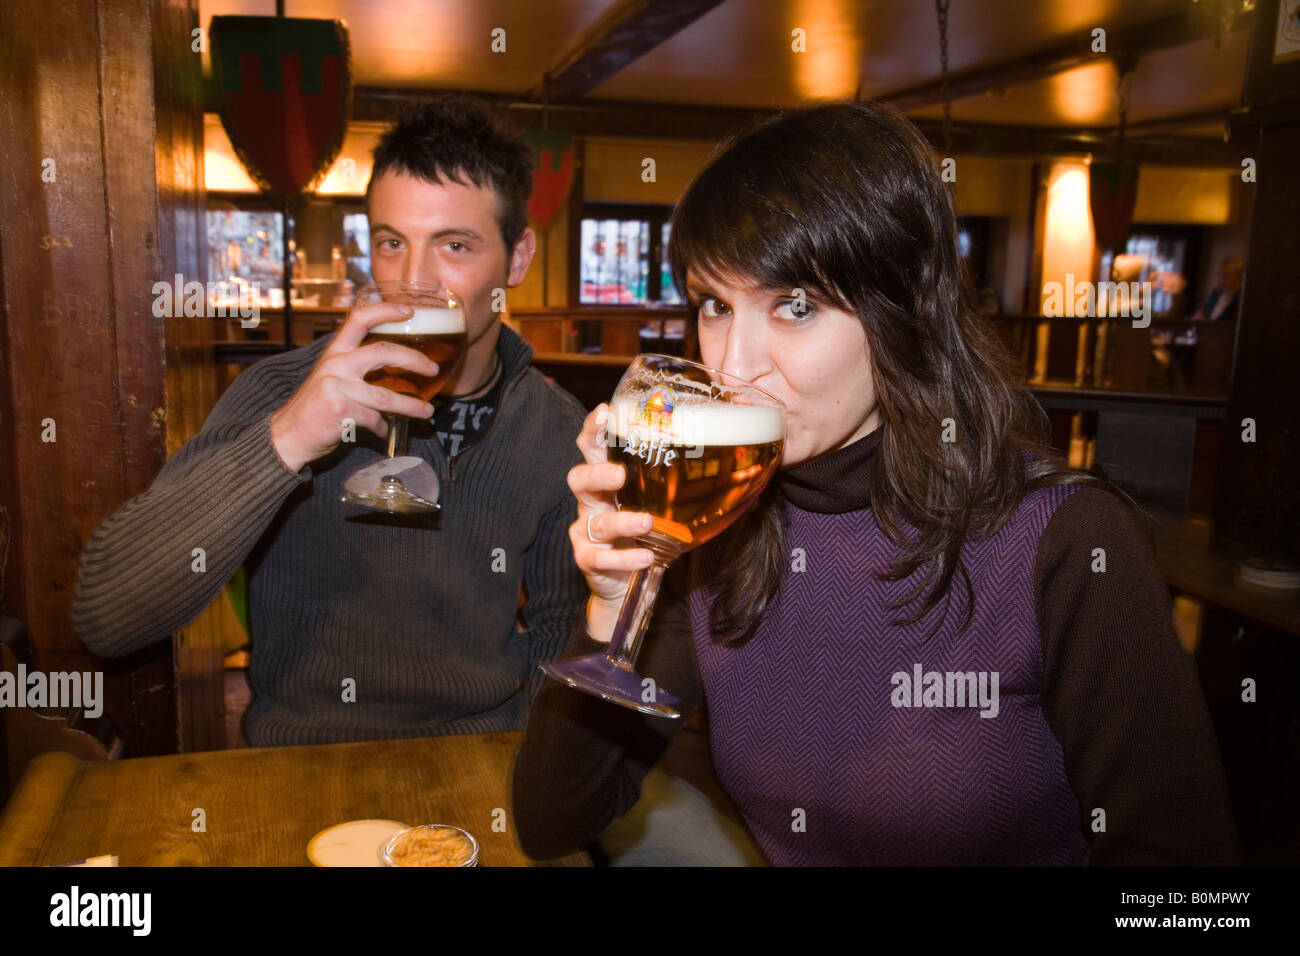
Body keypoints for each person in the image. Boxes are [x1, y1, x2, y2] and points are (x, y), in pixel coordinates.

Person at [512, 100, 1242, 865]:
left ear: (905, 313)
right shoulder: (716, 526)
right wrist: (610, 613)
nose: (731, 367)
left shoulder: (1066, 543)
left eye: (795, 305)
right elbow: (552, 821)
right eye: (716, 305)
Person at [72, 95, 589, 747]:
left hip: (477, 756)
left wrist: (520, 765)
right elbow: (107, 618)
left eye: (454, 245)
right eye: (391, 243)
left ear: (516, 261)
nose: (413, 281)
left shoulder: (554, 427)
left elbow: (563, 635)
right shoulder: (284, 391)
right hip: (304, 760)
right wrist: (288, 439)